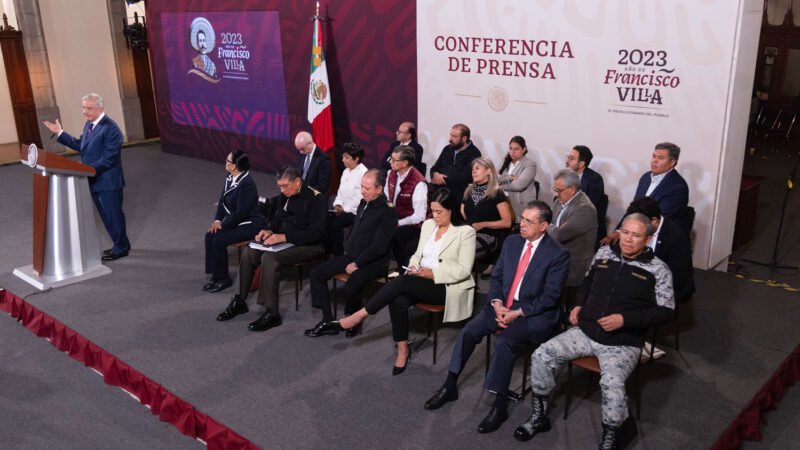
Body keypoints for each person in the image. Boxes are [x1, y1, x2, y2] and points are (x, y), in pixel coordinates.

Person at [514, 213, 674, 449]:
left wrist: (625, 319)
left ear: (648, 239)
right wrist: (579, 303)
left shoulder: (658, 269)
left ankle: (612, 433)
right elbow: (587, 283)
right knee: (541, 355)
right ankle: (540, 415)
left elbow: (666, 311)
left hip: (623, 341)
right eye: (625, 232)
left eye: (636, 235)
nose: (628, 239)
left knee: (611, 382)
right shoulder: (604, 254)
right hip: (586, 331)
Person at [424, 201, 570, 435]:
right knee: (470, 331)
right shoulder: (512, 243)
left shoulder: (558, 254)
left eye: (528, 221)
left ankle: (499, 405)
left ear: (543, 226)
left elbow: (549, 298)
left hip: (532, 313)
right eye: (521, 219)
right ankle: (450, 385)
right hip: (503, 305)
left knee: (505, 342)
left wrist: (516, 313)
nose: (521, 224)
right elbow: (498, 279)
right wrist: (498, 304)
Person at [337, 188, 476, 375]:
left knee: (402, 283)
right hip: (419, 279)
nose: (434, 216)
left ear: (451, 209)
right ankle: (403, 349)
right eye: (432, 211)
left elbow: (463, 270)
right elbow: (417, 254)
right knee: (398, 300)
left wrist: (433, 274)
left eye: (439, 212)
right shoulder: (428, 225)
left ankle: (359, 315)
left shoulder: (465, 232)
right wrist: (413, 267)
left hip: (447, 286)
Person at [215, 166, 326, 331]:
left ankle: (272, 313)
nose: (282, 190)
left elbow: (316, 233)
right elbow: (278, 218)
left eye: (285, 186)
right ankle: (239, 301)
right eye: (279, 186)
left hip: (309, 245)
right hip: (284, 241)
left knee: (270, 258)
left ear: (297, 181)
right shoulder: (284, 195)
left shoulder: (316, 198)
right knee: (250, 250)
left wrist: (284, 237)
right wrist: (269, 230)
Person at [306, 169, 397, 338]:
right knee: (316, 273)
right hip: (352, 256)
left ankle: (353, 320)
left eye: (367, 188)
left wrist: (357, 264)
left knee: (350, 287)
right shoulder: (363, 202)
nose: (362, 191)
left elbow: (379, 247)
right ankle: (328, 320)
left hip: (374, 262)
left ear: (379, 189)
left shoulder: (388, 211)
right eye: (361, 187)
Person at [43, 93, 131, 261]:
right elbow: (81, 145)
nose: (85, 111)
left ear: (100, 109)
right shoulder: (89, 125)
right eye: (83, 108)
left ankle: (121, 248)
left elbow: (109, 159)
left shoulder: (111, 128)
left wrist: (85, 168)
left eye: (89, 108)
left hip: (108, 181)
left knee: (113, 215)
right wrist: (61, 133)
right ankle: (119, 244)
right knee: (105, 216)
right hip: (93, 178)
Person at [601, 142, 690, 245]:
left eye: (660, 158)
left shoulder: (678, 186)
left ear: (672, 162)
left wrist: (629, 233)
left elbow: (658, 219)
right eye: (653, 156)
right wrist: (618, 231)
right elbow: (633, 209)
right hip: (638, 232)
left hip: (660, 238)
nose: (654, 161)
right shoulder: (646, 177)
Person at [203, 150, 264, 293]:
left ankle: (224, 279)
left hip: (249, 224)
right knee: (210, 236)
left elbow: (240, 213)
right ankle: (215, 276)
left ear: (235, 165)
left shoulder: (247, 184)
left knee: (219, 239)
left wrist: (222, 225)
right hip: (235, 221)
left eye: (228, 161)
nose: (225, 163)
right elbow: (222, 200)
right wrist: (217, 219)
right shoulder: (230, 177)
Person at [624, 197, 695, 303]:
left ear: (654, 221)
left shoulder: (676, 238)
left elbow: (675, 279)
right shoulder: (637, 227)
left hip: (663, 287)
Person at [548, 169, 597, 309]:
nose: (555, 194)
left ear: (572, 189)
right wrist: (553, 228)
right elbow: (548, 223)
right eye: (555, 189)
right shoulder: (560, 200)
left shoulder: (584, 209)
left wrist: (548, 227)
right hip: (555, 253)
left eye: (559, 190)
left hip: (572, 262)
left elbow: (557, 235)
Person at [385, 145, 428, 271]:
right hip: (396, 218)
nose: (390, 162)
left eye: (394, 160)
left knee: (396, 235)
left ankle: (404, 271)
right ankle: (377, 267)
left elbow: (419, 217)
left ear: (404, 163)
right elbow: (387, 199)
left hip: (415, 225)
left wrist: (398, 223)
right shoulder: (391, 173)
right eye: (391, 158)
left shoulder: (418, 183)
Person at [461, 157, 513, 258]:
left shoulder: (497, 193)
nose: (473, 172)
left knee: (461, 250)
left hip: (488, 236)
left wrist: (484, 224)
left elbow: (507, 222)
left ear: (488, 171)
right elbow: (463, 211)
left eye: (477, 168)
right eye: (472, 169)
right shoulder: (468, 190)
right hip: (469, 234)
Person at [327, 143, 368, 256]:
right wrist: (337, 204)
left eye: (346, 157)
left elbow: (361, 199)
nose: (343, 160)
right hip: (343, 208)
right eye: (343, 157)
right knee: (326, 219)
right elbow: (340, 192)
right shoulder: (346, 171)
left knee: (336, 224)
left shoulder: (363, 173)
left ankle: (338, 254)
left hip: (356, 211)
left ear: (356, 159)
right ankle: (328, 250)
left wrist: (344, 209)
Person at [429, 123, 481, 200]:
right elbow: (434, 167)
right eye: (450, 135)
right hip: (438, 191)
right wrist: (435, 174)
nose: (450, 139)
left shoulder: (474, 153)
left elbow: (466, 177)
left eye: (454, 136)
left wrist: (440, 180)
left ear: (464, 138)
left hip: (458, 195)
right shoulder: (447, 149)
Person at [567, 145, 606, 240]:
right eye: (568, 157)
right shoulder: (566, 175)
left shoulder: (595, 179)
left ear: (581, 164)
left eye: (571, 158)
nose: (568, 161)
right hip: (567, 217)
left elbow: (587, 206)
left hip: (585, 224)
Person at [498, 136, 538, 223]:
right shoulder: (507, 163)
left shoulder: (530, 164)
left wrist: (499, 187)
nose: (512, 152)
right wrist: (510, 178)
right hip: (503, 199)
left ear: (524, 149)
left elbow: (519, 185)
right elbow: (496, 178)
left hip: (519, 204)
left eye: (516, 149)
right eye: (511, 148)